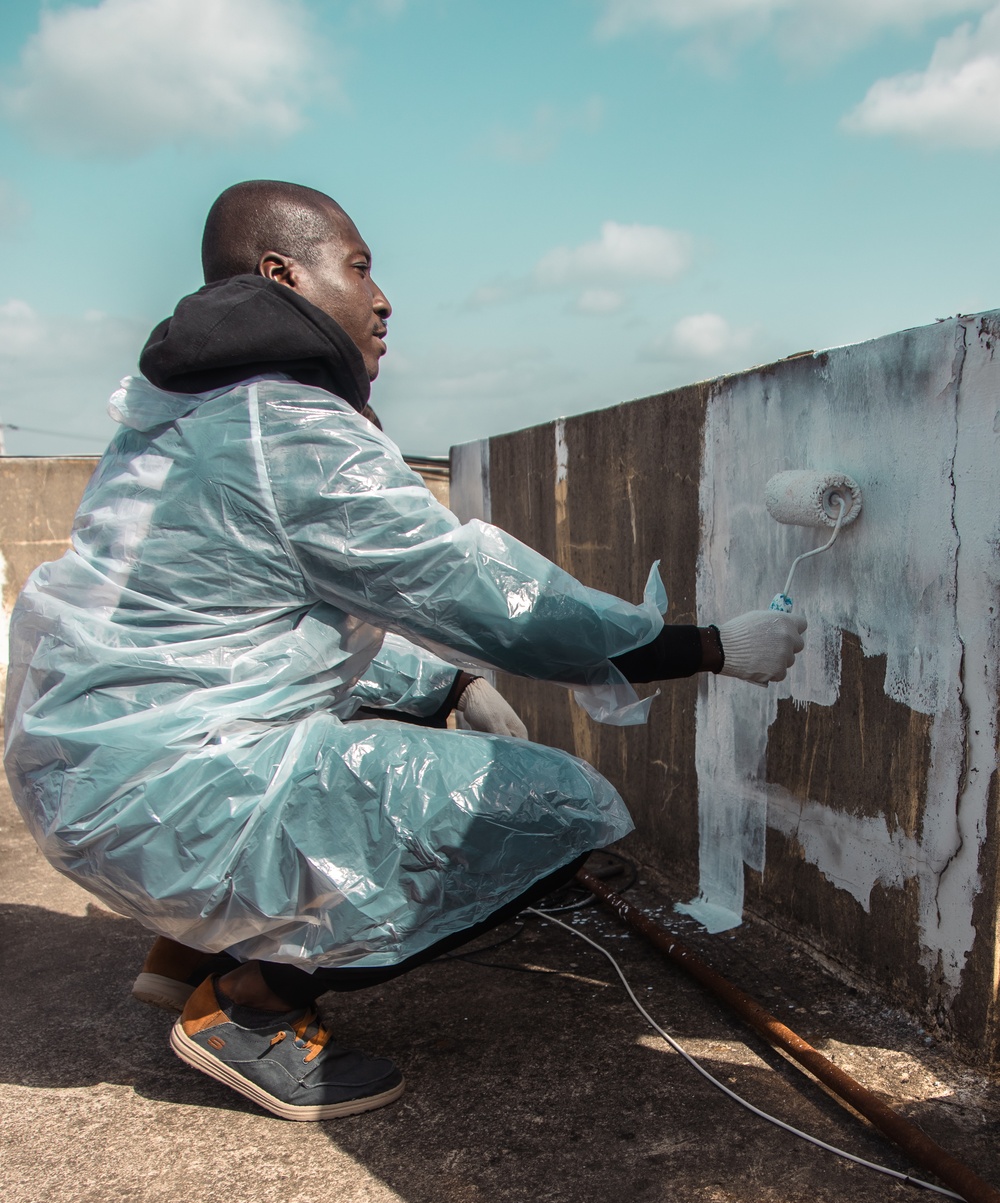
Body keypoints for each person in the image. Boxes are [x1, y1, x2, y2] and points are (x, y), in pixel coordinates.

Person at [3, 181, 806, 1122]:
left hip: (89, 774)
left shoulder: (188, 417)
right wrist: (706, 647)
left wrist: (455, 683)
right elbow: (486, 596)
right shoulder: (290, 429)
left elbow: (274, 635)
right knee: (551, 811)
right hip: (160, 794)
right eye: (360, 267)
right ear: (282, 275)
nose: (382, 300)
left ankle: (188, 945)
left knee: (415, 693)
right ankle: (251, 1010)